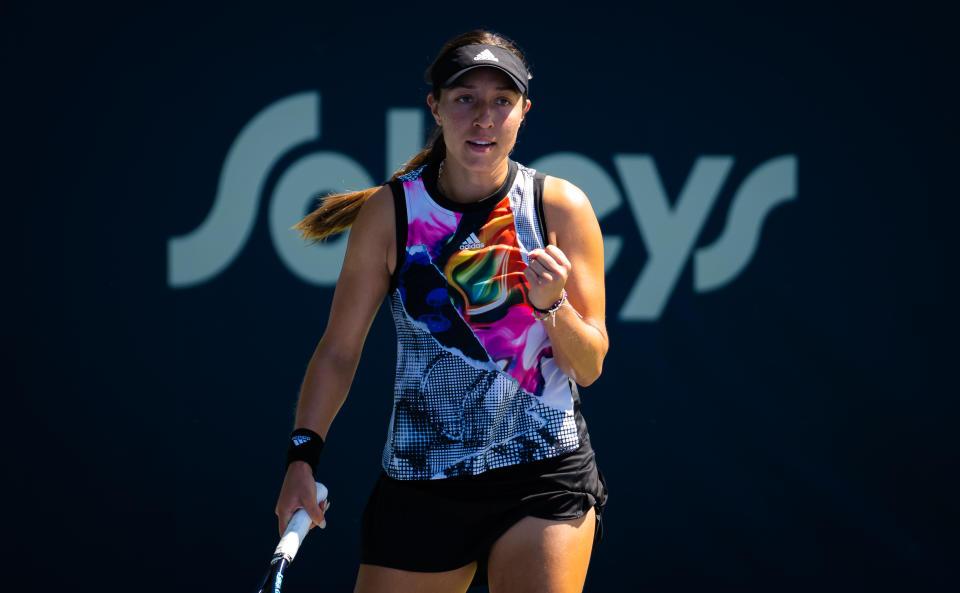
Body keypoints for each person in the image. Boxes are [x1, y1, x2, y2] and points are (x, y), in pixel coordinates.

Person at [275, 29, 609, 593]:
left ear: (523, 112)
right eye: (465, 99)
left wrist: (551, 308)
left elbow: (589, 366)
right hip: (420, 484)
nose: (483, 117)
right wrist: (302, 459)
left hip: (542, 477)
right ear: (436, 107)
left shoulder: (560, 206)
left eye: (501, 101)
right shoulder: (391, 213)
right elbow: (339, 349)